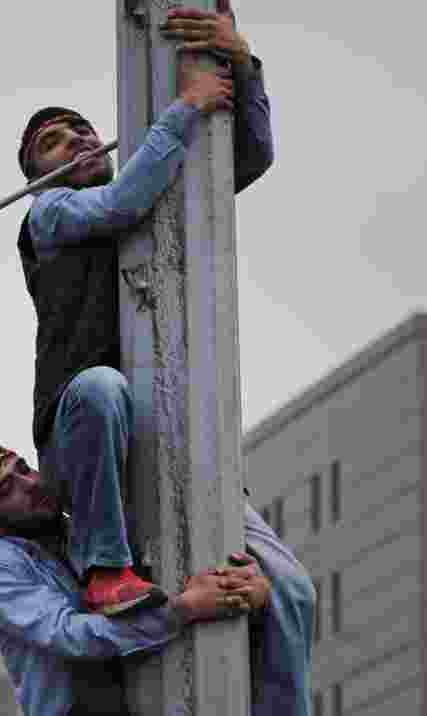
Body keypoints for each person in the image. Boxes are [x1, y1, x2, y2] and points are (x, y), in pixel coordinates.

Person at [14, 0, 274, 615]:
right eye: (53, 143)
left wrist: (243, 64)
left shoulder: (145, 185)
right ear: (35, 177)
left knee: (287, 594)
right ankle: (107, 568)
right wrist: (184, 108)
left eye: (81, 129)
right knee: (102, 388)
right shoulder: (47, 214)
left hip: (163, 421)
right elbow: (117, 207)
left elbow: (248, 158)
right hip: (80, 428)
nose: (76, 139)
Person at [0, 434, 323, 716]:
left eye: (24, 468)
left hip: (144, 691)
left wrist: (244, 582)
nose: (30, 484)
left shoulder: (88, 525)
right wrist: (182, 610)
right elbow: (73, 636)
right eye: (7, 489)